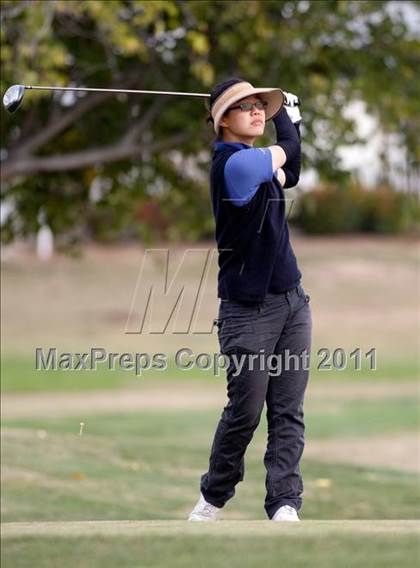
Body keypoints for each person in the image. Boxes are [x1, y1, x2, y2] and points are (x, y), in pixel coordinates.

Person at [188, 77, 312, 522]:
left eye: (262, 106)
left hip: (293, 303)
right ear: (223, 121)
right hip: (247, 312)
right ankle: (212, 499)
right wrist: (288, 117)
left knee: (287, 410)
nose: (258, 111)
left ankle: (284, 504)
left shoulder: (255, 160)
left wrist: (284, 119)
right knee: (245, 412)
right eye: (247, 107)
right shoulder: (232, 166)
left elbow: (291, 172)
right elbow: (290, 151)